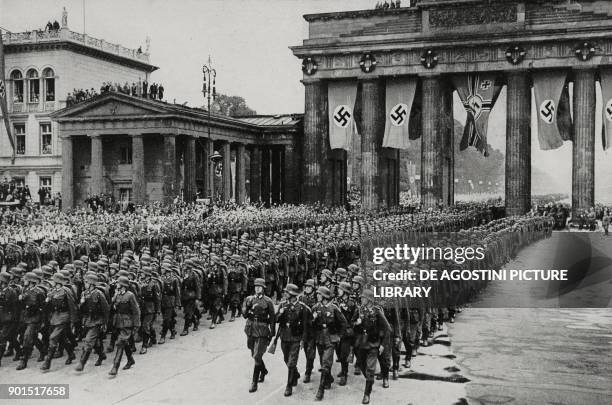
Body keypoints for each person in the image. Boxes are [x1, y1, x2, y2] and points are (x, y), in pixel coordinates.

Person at [353, 288, 391, 404]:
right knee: (363, 366)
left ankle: (366, 394)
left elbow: (387, 328)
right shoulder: (359, 310)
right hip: (361, 344)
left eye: (364, 298)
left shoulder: (377, 311)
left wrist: (383, 345)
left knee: (370, 369)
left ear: (369, 299)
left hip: (373, 344)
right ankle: (370, 380)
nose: (362, 299)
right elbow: (352, 324)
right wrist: (356, 323)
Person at [311, 285, 347, 401]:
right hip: (319, 338)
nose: (317, 296)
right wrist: (313, 318)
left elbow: (343, 323)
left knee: (326, 363)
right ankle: (328, 379)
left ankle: (320, 390)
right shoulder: (316, 307)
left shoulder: (334, 308)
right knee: (323, 362)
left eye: (319, 294)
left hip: (330, 339)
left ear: (325, 296)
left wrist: (339, 336)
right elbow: (309, 324)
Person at [275, 283, 309, 397]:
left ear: (293, 294)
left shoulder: (302, 307)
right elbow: (276, 319)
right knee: (286, 359)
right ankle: (295, 373)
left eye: (287, 292)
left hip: (295, 337)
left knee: (291, 362)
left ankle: (289, 386)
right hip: (284, 336)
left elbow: (305, 325)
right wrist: (280, 313)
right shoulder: (283, 305)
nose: (285, 294)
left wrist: (303, 340)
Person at [242, 278, 275, 393]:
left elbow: (272, 318)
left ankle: (254, 382)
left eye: (260, 287)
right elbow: (244, 315)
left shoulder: (268, 301)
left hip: (262, 330)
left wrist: (272, 332)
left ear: (263, 288)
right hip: (251, 328)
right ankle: (264, 370)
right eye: (256, 286)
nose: (257, 288)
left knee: (257, 355)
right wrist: (246, 307)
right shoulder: (249, 299)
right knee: (253, 353)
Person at [41, 272, 77, 371]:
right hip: (54, 317)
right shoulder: (52, 291)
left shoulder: (66, 291)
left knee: (53, 338)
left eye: (54, 280)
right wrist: (47, 300)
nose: (52, 282)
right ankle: (71, 354)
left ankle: (47, 362)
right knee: (62, 338)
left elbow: (72, 305)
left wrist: (73, 320)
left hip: (64, 317)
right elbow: (48, 306)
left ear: (58, 281)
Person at [76, 272, 110, 371]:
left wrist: (105, 323)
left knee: (88, 342)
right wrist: (81, 303)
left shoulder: (98, 294)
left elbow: (106, 309)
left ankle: (82, 363)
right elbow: (81, 310)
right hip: (87, 321)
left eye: (86, 282)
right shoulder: (84, 293)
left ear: (91, 283)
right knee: (96, 343)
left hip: (96, 321)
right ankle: (101, 355)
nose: (84, 284)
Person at [109, 276, 140, 376]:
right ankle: (130, 360)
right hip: (118, 322)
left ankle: (115, 366)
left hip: (127, 323)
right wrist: (114, 296)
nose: (116, 284)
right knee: (124, 343)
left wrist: (136, 325)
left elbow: (136, 311)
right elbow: (111, 307)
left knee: (120, 342)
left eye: (118, 283)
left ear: (122, 285)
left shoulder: (130, 295)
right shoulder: (117, 295)